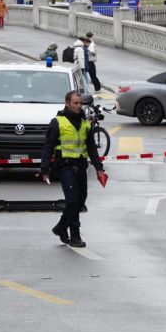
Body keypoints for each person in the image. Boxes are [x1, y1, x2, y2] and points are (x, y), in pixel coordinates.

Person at [40, 90, 107, 248]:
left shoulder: (85, 123)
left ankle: (61, 227)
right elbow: (48, 146)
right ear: (67, 104)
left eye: (80, 103)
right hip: (65, 166)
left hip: (81, 166)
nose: (78, 106)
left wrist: (99, 168)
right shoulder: (57, 122)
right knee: (72, 200)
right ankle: (74, 235)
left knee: (80, 200)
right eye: (75, 103)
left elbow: (91, 147)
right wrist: (45, 169)